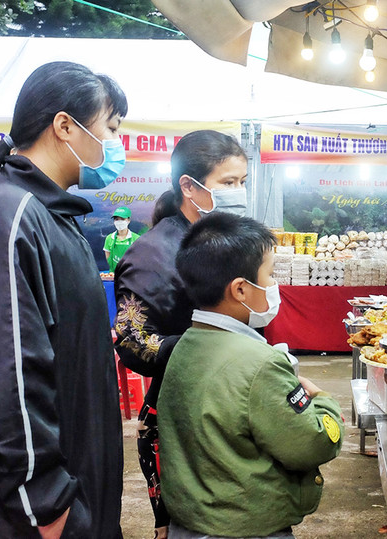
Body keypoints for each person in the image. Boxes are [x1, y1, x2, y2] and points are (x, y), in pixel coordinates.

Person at [0, 61, 127, 537]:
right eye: (111, 128)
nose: (115, 145)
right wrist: (47, 505)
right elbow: (7, 378)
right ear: (65, 126)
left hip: (72, 492)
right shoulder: (10, 213)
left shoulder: (50, 214)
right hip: (23, 518)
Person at [159, 212, 343, 538]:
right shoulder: (260, 364)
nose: (274, 286)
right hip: (244, 528)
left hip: (190, 524)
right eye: (270, 275)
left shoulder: (184, 346)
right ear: (241, 290)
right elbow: (310, 444)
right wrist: (324, 403)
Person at [113, 129, 248, 538]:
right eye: (228, 183)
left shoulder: (230, 238)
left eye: (242, 182)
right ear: (189, 186)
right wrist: (208, 346)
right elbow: (133, 341)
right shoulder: (152, 256)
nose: (238, 192)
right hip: (179, 422)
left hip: (233, 405)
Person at [103, 205, 140, 272]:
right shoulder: (109, 238)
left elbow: (139, 258)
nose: (119, 222)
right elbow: (108, 256)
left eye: (122, 219)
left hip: (130, 275)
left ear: (128, 220)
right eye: (117, 219)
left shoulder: (136, 238)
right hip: (113, 275)